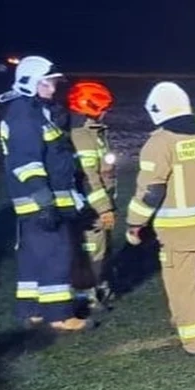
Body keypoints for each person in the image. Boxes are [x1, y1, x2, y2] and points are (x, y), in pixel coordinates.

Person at [126, 82, 195, 355]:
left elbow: (151, 191)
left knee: (182, 285)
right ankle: (188, 320)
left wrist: (134, 223)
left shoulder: (160, 143)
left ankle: (194, 340)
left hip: (177, 230)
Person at [0, 56, 86, 331]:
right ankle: (58, 315)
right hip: (39, 199)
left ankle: (31, 309)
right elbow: (26, 161)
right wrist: (44, 199)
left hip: (37, 198)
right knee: (55, 253)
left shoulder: (31, 111)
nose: (53, 89)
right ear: (30, 83)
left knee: (34, 255)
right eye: (48, 83)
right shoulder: (25, 114)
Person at [67, 80, 118, 307]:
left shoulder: (94, 133)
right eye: (102, 106)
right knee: (91, 250)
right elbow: (90, 178)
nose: (106, 111)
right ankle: (85, 295)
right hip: (90, 206)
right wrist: (104, 208)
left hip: (98, 203)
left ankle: (99, 287)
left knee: (102, 248)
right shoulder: (82, 137)